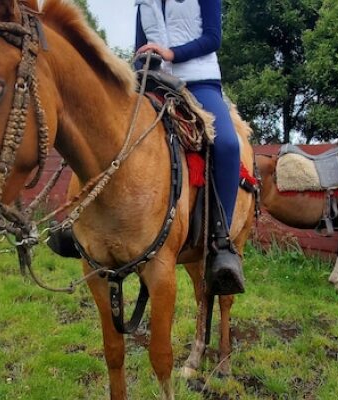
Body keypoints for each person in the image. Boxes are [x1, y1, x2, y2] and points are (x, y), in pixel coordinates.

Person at [135, 0, 244, 295]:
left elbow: (213, 38)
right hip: (153, 82)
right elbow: (140, 46)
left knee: (228, 145)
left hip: (199, 82)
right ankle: (85, 220)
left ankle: (221, 241)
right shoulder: (143, 2)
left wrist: (171, 54)